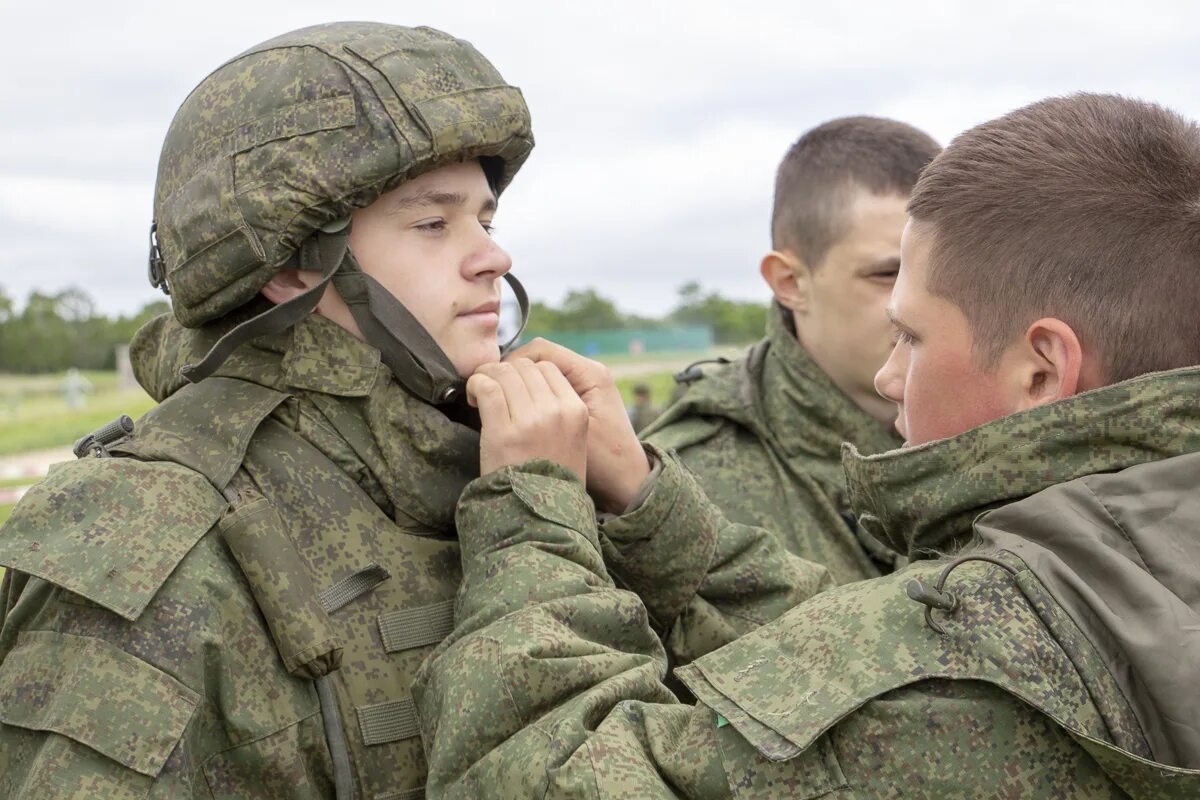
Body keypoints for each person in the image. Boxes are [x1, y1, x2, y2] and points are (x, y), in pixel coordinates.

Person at [0, 22, 826, 799]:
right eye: (434, 222)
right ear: (292, 265)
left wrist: (641, 501)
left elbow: (802, 697)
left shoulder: (510, 454)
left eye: (486, 217)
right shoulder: (142, 532)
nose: (493, 255)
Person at [414, 93, 1200, 798]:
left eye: (914, 337)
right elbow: (857, 649)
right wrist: (648, 502)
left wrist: (530, 506)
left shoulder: (963, 674)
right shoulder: (1138, 538)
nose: (893, 377)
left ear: (1041, 368)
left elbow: (548, 773)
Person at [643, 117, 940, 582]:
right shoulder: (680, 489)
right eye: (887, 275)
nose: (922, 304)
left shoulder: (1007, 422)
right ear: (790, 283)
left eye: (945, 275)